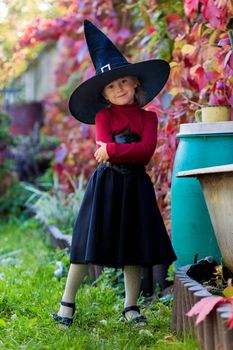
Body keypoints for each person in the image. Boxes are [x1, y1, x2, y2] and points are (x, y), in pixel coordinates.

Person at [52, 19, 177, 327]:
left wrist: (113, 150)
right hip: (106, 185)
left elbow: (145, 151)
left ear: (135, 82)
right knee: (85, 242)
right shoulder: (102, 116)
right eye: (110, 86)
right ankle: (67, 303)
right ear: (104, 95)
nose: (118, 89)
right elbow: (102, 144)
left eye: (123, 82)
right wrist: (113, 149)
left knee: (133, 244)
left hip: (136, 186)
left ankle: (131, 306)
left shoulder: (148, 118)